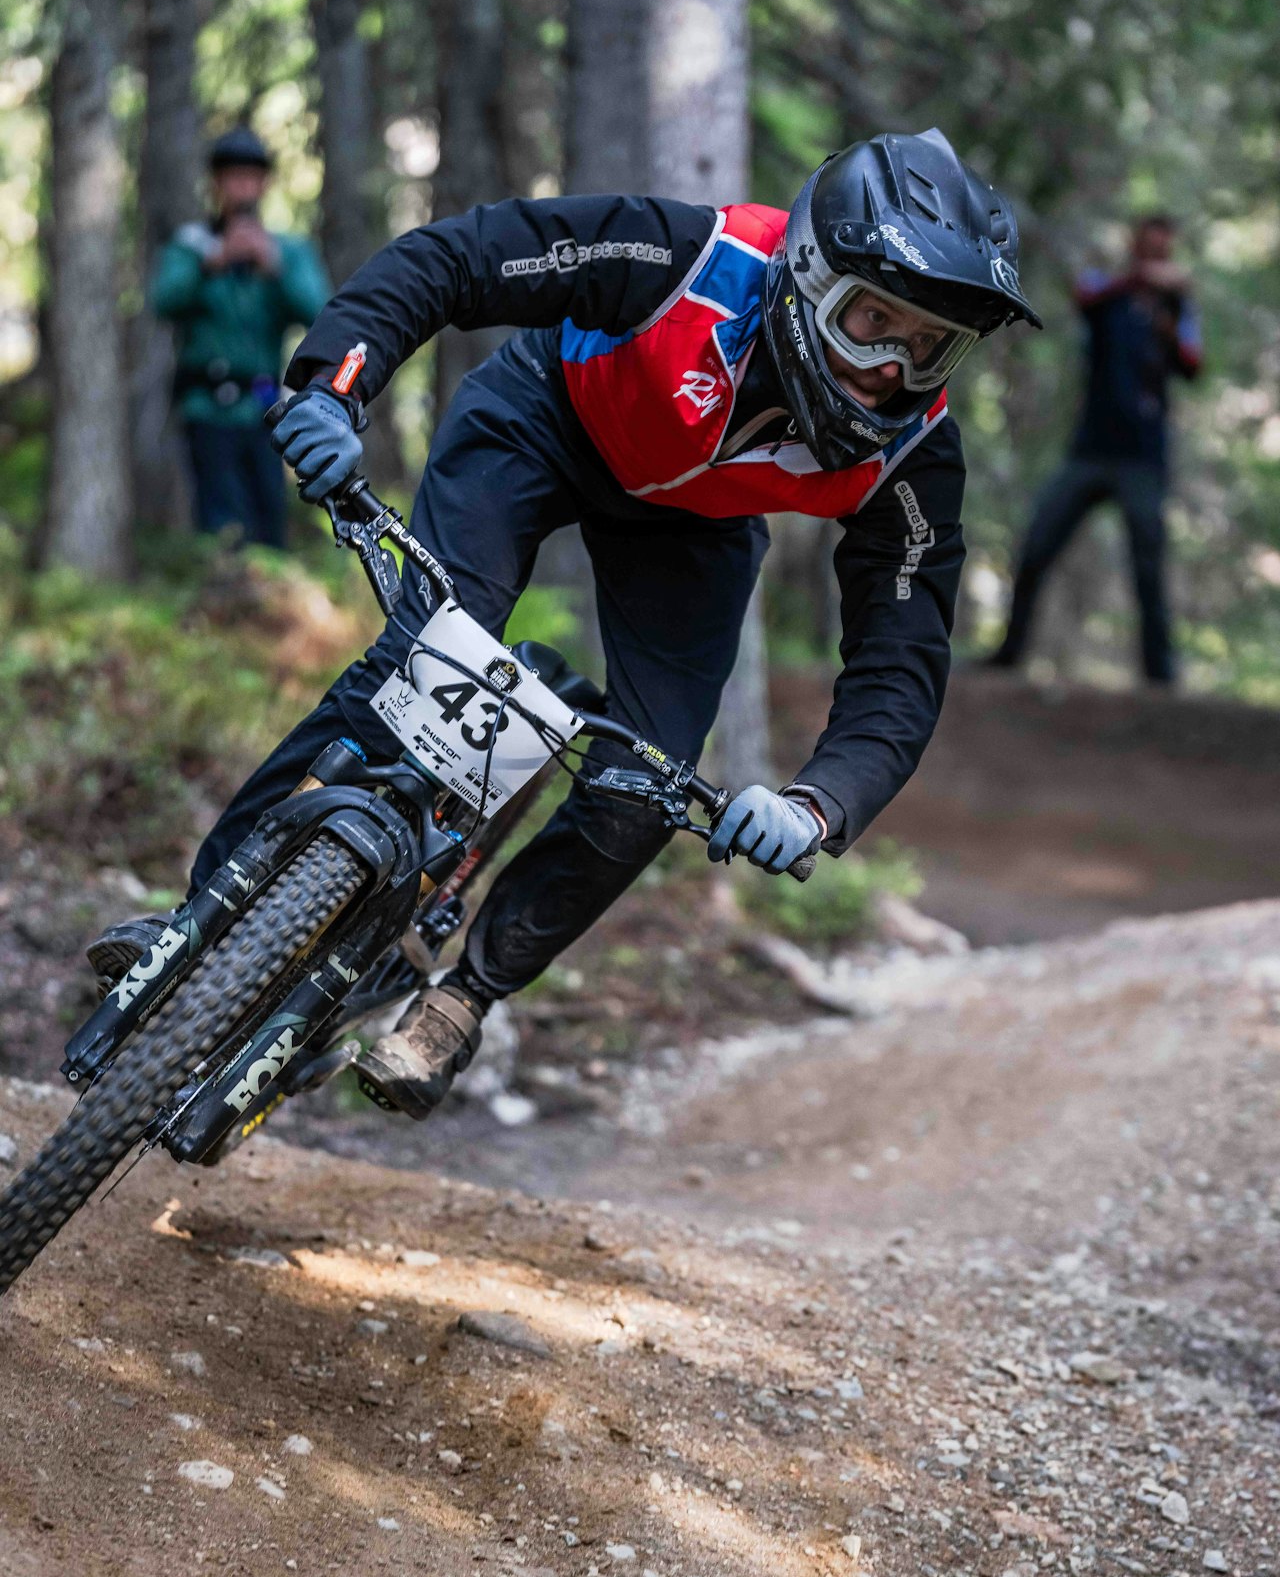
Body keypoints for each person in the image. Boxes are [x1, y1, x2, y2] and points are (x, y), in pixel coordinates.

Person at [95, 129, 1041, 1118]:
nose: (891, 366)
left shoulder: (913, 457)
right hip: (544, 422)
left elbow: (901, 660)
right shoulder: (685, 260)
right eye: (871, 322)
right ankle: (199, 920)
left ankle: (457, 1003)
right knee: (421, 659)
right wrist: (334, 388)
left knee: (641, 785)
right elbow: (455, 259)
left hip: (694, 528)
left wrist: (815, 806)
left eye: (928, 344)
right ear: (807, 275)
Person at [987, 214, 1202, 683]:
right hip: (1088, 451)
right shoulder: (1110, 292)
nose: (1155, 257)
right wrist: (1138, 281)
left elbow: (1192, 362)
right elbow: (1084, 294)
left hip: (1143, 458)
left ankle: (1160, 678)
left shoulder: (1177, 305)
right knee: (1038, 544)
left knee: (1148, 565)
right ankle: (1009, 654)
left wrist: (1171, 314)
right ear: (1134, 245)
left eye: (1162, 251)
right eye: (1148, 248)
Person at [151, 127, 330, 549]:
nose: (242, 187)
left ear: (265, 184)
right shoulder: (191, 247)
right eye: (232, 176)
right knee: (219, 523)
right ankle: (225, 598)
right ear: (216, 183)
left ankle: (269, 603)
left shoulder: (289, 250)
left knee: (269, 518)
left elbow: (321, 314)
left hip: (265, 408)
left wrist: (275, 269)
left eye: (250, 176)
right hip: (206, 404)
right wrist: (213, 263)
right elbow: (163, 302)